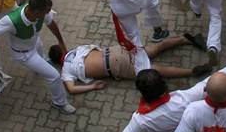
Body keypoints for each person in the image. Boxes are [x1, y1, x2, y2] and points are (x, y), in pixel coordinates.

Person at [107, 49, 226, 132]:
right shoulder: (184, 99)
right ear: (165, 86)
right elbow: (210, 81)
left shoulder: (139, 120)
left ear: (142, 94)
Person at [0, 0, 77, 115]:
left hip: (34, 42)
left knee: (40, 46)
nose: (48, 13)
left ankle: (41, 63)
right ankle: (60, 103)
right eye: (46, 11)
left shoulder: (40, 11)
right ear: (37, 12)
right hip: (24, 54)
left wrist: (61, 42)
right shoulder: (12, 20)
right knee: (54, 76)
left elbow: (51, 24)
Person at [49, 34, 212, 95]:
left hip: (115, 66)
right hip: (115, 51)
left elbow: (71, 89)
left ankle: (192, 71)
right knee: (153, 49)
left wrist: (93, 87)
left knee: (154, 71)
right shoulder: (76, 50)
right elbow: (95, 47)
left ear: (58, 63)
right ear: (62, 52)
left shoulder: (66, 71)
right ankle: (185, 38)